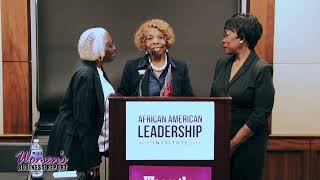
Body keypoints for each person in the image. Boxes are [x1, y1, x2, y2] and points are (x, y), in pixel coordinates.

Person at [210, 13, 275, 180]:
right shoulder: (222, 63)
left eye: (226, 35)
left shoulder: (261, 69)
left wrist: (233, 144)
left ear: (242, 38)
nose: (222, 40)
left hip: (248, 145)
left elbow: (260, 114)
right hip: (220, 143)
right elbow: (214, 101)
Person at [47, 27, 116, 179]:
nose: (114, 48)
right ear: (99, 51)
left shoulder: (97, 69)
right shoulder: (86, 75)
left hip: (83, 148)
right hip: (74, 150)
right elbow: (83, 122)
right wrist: (92, 160)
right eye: (109, 45)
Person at [117, 19, 193, 96]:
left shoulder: (180, 67)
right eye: (150, 38)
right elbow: (121, 99)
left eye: (160, 37)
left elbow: (189, 100)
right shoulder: (132, 67)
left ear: (167, 40)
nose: (155, 41)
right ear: (144, 43)